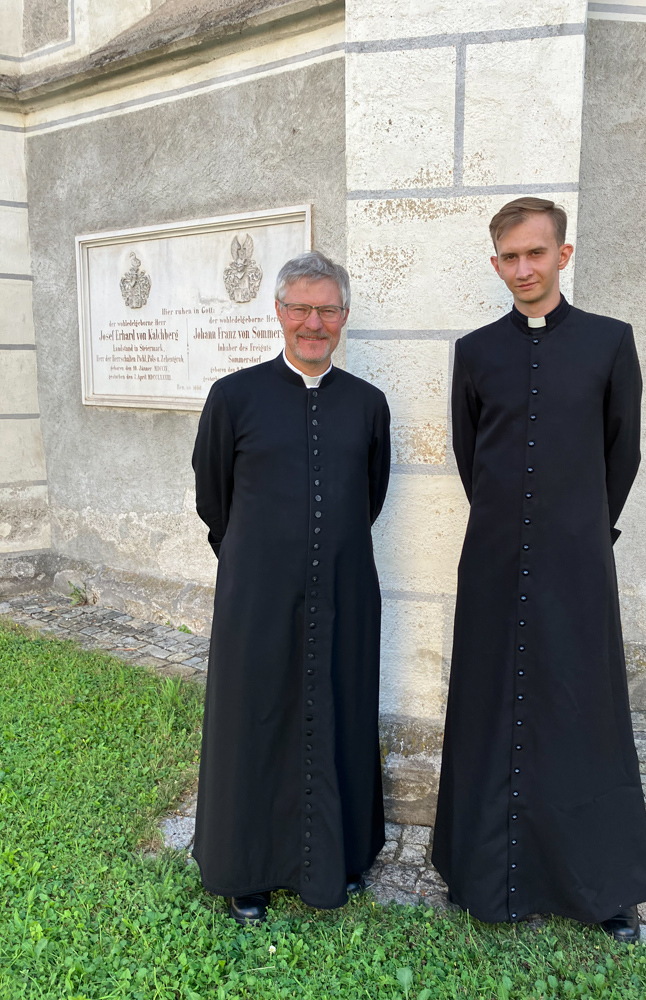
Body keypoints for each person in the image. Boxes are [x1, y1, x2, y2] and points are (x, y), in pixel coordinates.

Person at [432, 198, 646, 942]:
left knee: (582, 708)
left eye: (535, 253)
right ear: (496, 263)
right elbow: (471, 455)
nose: (523, 268)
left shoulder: (609, 342)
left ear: (562, 254)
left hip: (576, 557)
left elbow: (621, 452)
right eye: (509, 256)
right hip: (495, 558)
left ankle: (601, 883)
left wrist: (582, 529)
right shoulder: (475, 351)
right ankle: (479, 870)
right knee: (487, 703)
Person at [192, 251, 391, 924]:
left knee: (341, 713)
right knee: (253, 718)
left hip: (344, 591)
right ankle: (245, 867)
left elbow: (368, 496)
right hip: (256, 593)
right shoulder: (233, 397)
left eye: (327, 309)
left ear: (343, 317)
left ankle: (344, 856)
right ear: (278, 311)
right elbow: (214, 497)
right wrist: (260, 558)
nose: (313, 323)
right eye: (300, 308)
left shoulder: (367, 404)